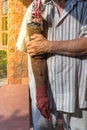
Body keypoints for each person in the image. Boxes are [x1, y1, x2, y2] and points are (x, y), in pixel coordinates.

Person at [16, 0, 87, 130]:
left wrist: (47, 46)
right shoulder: (36, 7)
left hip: (77, 90)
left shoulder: (84, 5)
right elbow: (33, 51)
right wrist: (41, 93)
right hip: (46, 90)